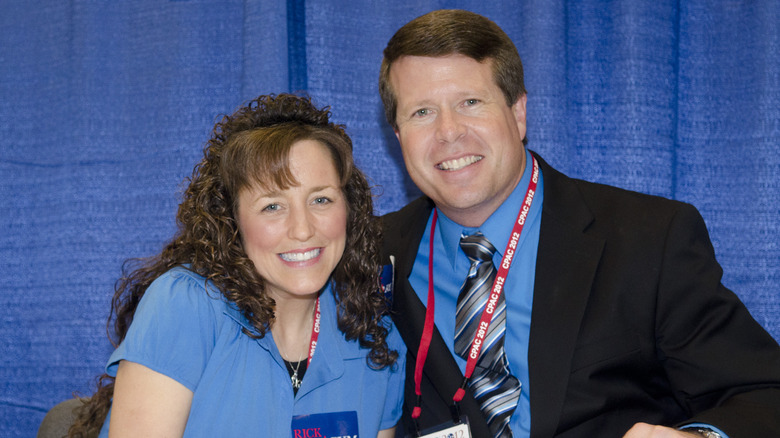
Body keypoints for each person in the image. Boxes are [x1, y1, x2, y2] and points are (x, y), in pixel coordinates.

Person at [377, 9, 780, 438]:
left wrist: (700, 437)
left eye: (470, 102)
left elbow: (763, 392)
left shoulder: (648, 240)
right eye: (422, 112)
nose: (449, 132)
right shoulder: (370, 256)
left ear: (518, 113)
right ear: (399, 137)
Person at [67, 93, 405, 438]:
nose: (303, 229)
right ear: (232, 221)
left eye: (321, 199)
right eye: (272, 206)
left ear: (349, 209)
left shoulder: (375, 340)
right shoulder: (184, 306)